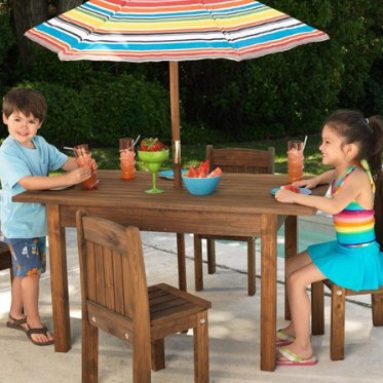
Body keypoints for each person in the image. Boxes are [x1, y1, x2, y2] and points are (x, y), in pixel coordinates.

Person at [274, 109, 383, 366]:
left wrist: (294, 196)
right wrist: (313, 181)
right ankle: (296, 327)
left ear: (349, 150)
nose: (321, 146)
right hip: (345, 248)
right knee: (291, 264)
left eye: (327, 142)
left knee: (297, 278)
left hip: (359, 257)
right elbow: (333, 176)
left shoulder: (357, 177)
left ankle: (303, 350)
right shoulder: (349, 169)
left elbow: (334, 206)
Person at [0, 87, 95, 346]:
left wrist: (82, 164)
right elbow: (27, 182)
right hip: (18, 224)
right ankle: (33, 320)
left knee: (26, 270)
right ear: (5, 118)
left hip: (36, 223)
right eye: (17, 119)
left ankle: (16, 314)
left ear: (39, 124)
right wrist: (67, 180)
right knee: (31, 273)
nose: (24, 126)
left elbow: (65, 162)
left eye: (31, 121)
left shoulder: (40, 145)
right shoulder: (7, 151)